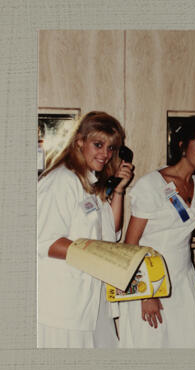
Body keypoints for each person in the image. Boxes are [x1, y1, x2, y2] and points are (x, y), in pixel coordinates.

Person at [117, 116, 195, 348]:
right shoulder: (151, 184)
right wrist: (146, 293)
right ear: (182, 145)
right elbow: (130, 243)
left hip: (183, 280)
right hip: (149, 281)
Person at [37, 111, 134, 348]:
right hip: (63, 303)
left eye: (111, 148)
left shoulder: (90, 183)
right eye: (98, 145)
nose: (105, 154)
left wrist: (119, 190)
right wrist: (99, 258)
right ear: (79, 141)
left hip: (91, 298)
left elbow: (112, 231)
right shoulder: (62, 181)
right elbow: (45, 241)